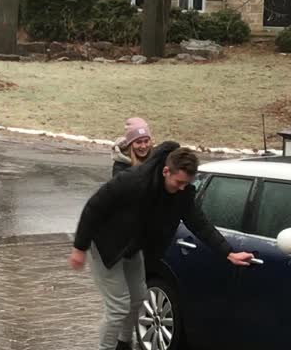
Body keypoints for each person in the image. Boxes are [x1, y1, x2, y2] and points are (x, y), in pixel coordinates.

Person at [69, 141, 253, 350]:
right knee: (119, 306)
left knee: (138, 298)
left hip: (132, 247)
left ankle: (123, 343)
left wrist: (228, 253)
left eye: (186, 183)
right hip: (105, 245)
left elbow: (199, 224)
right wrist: (79, 247)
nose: (182, 188)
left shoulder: (181, 194)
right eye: (179, 182)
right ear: (166, 171)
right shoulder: (133, 181)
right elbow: (94, 207)